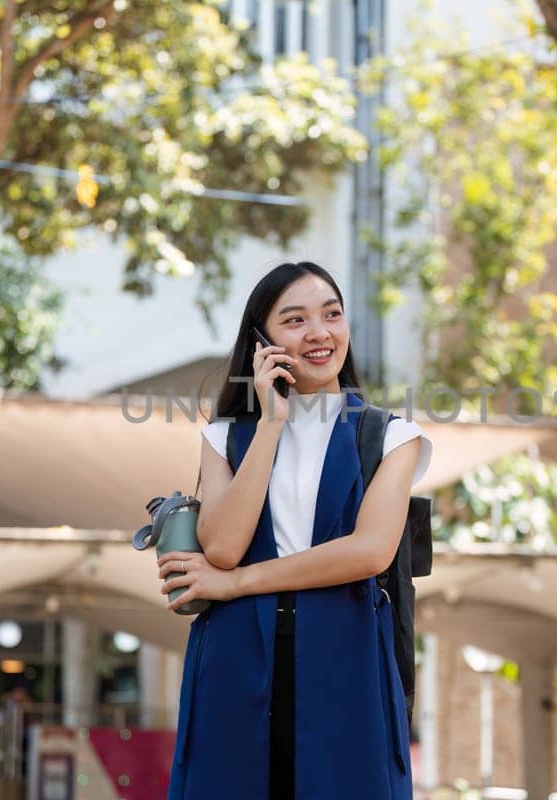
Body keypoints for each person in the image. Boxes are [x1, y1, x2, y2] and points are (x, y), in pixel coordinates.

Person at [157, 262, 432, 800]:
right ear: (262, 340)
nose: (319, 333)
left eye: (332, 314)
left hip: (347, 660)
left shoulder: (392, 436)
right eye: (295, 320)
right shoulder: (225, 437)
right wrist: (271, 423)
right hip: (236, 661)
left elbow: (369, 552)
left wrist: (234, 584)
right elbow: (222, 546)